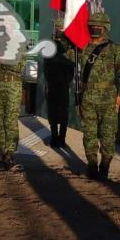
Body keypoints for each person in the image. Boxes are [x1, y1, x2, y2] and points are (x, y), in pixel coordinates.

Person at [67, 12, 120, 181]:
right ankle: (92, 164)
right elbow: (67, 60)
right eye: (92, 26)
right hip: (87, 98)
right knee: (89, 134)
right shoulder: (81, 47)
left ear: (105, 28)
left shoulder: (114, 49)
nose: (95, 28)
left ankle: (105, 166)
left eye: (98, 26)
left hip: (108, 99)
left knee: (108, 135)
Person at [0, 54, 26, 171]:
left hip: (12, 87)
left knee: (10, 121)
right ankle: (0, 154)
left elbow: (18, 67)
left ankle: (9, 156)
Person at [44, 18, 74, 147]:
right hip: (52, 82)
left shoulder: (70, 46)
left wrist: (68, 81)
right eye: (59, 28)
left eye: (62, 28)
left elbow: (72, 64)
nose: (60, 31)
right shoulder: (50, 44)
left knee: (63, 112)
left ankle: (62, 138)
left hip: (64, 84)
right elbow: (47, 64)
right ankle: (54, 136)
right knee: (52, 111)